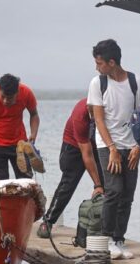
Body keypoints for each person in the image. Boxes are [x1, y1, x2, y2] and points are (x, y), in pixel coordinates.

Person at [87, 39, 140, 260]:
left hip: (131, 146)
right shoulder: (98, 83)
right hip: (107, 144)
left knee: (128, 194)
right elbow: (99, 119)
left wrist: (139, 146)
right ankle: (106, 239)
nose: (97, 67)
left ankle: (119, 239)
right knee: (113, 190)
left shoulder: (136, 82)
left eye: (99, 62)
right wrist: (112, 148)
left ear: (112, 62)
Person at [37, 97, 104, 238]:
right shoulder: (80, 114)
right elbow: (87, 154)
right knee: (68, 184)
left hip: (98, 145)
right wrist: (97, 184)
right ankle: (47, 221)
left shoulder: (109, 107)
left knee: (108, 186)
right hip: (74, 146)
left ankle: (107, 230)